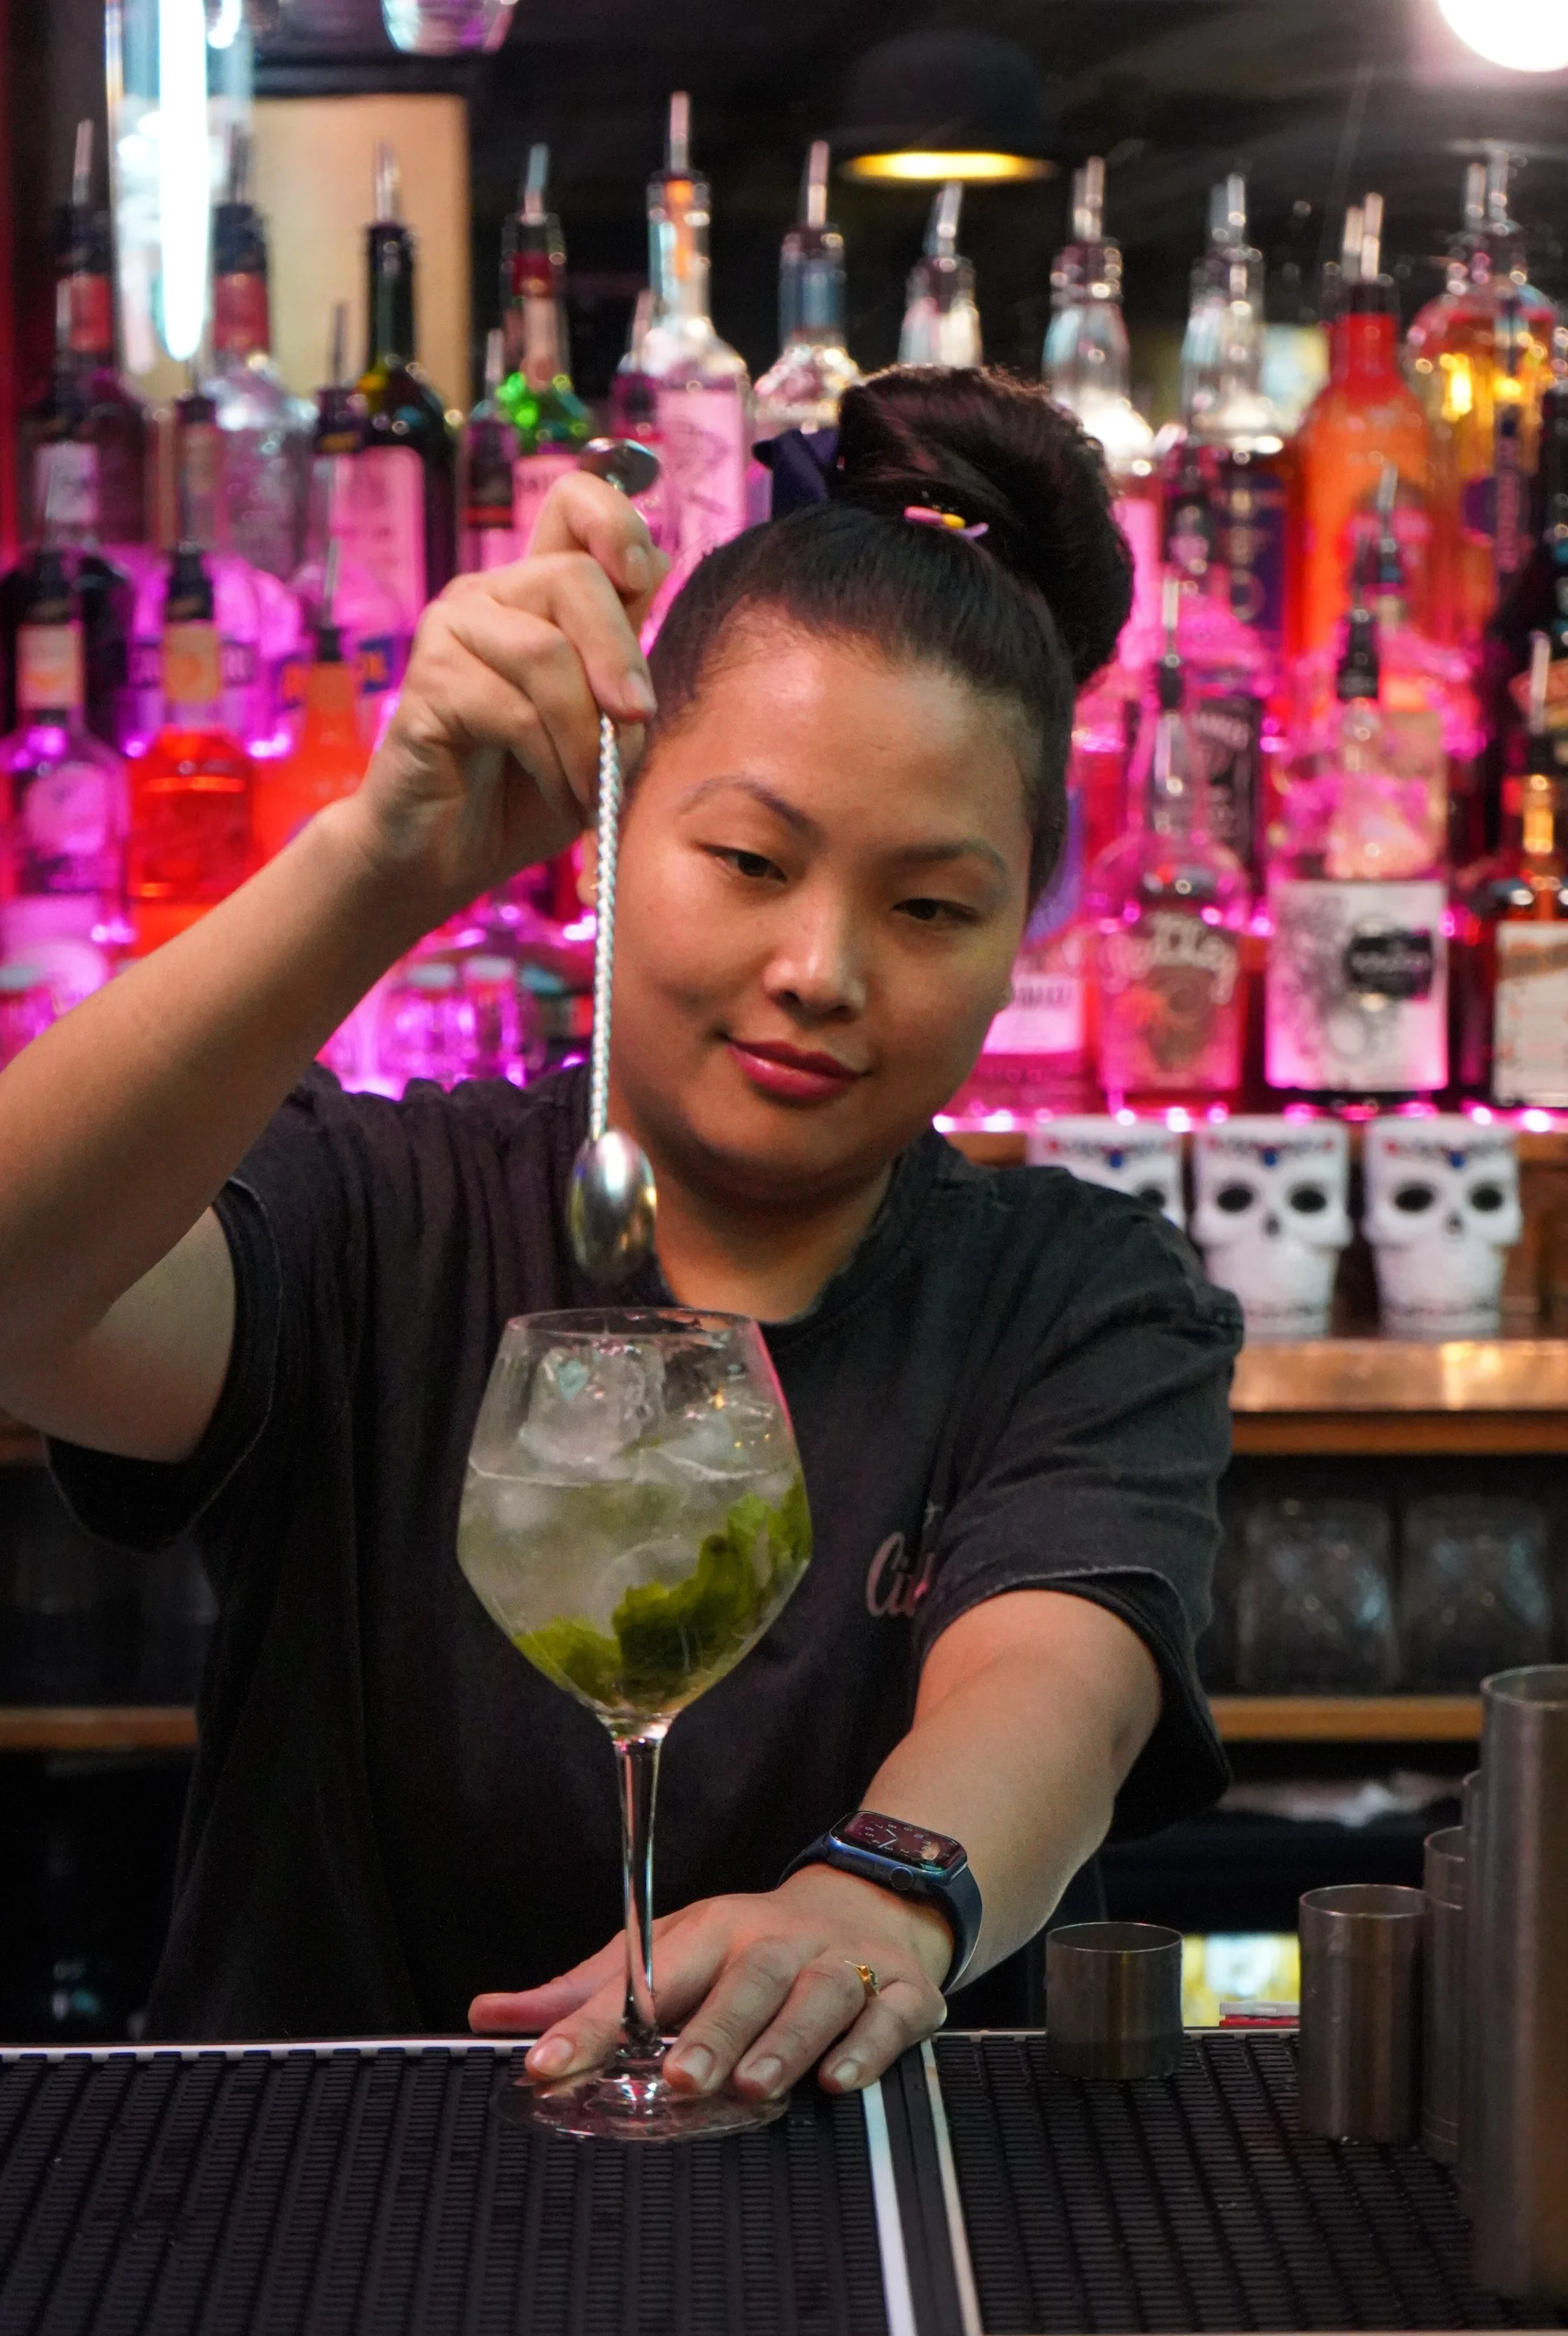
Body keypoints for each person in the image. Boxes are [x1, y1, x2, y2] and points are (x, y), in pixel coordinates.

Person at [0, 366, 1239, 2107]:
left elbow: (1058, 1681)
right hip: (315, 2231)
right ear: (608, 834)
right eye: (747, 859)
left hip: (867, 2233)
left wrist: (887, 1892)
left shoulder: (1078, 1299)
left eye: (930, 905)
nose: (822, 965)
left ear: (1018, 933)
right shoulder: (375, 1219)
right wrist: (381, 861)